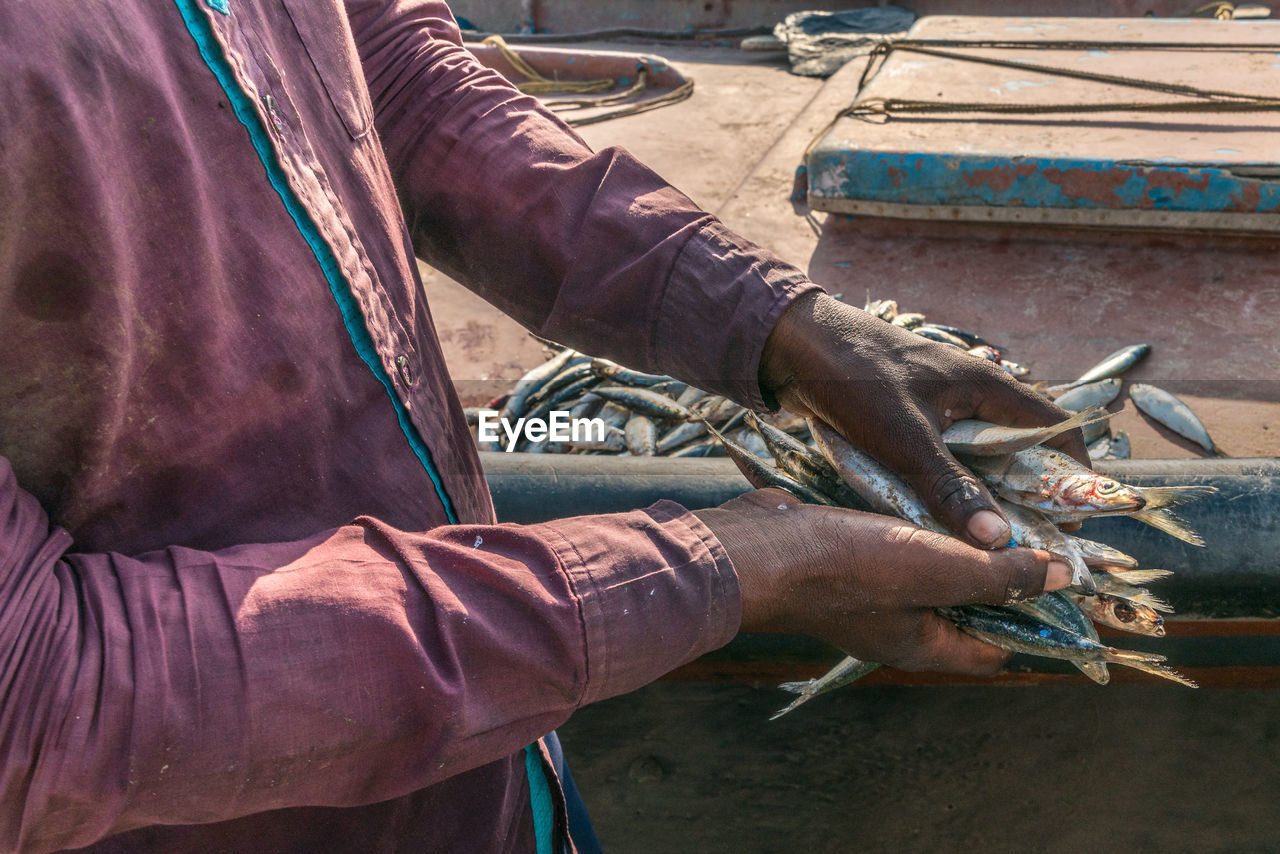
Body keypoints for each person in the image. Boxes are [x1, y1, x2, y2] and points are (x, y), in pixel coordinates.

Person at [0, 1, 1084, 852]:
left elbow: (392, 76)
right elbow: (37, 701)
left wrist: (766, 317)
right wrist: (716, 571)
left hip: (498, 794)